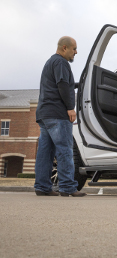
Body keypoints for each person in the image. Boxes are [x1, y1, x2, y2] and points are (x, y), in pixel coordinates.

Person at [34, 36, 87, 197]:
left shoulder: (51, 62)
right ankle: (67, 187)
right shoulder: (61, 63)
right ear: (65, 48)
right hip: (57, 114)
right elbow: (63, 85)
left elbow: (62, 85)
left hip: (45, 113)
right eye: (74, 49)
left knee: (46, 152)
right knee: (65, 150)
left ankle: (42, 187)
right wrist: (70, 108)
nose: (76, 52)